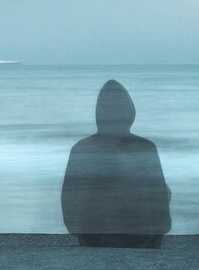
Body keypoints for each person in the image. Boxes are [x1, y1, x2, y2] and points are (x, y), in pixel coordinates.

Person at [61, 80, 172, 248]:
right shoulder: (144, 147)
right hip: (140, 236)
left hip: (92, 237)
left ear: (99, 113)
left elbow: (68, 200)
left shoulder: (82, 148)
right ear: (130, 111)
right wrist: (159, 233)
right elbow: (160, 199)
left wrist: (78, 230)